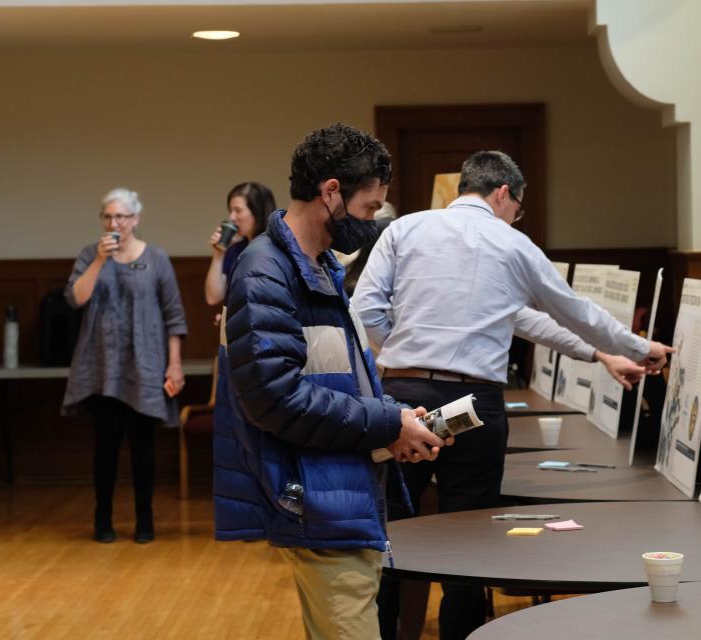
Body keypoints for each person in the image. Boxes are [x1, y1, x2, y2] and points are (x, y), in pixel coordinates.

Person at [353, 150, 674, 639]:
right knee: (468, 539)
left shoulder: (405, 229)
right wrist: (636, 346)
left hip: (403, 398)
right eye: (517, 206)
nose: (515, 215)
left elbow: (366, 309)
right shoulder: (512, 242)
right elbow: (571, 309)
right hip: (475, 406)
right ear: (503, 193)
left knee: (392, 533)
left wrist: (403, 353)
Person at [213, 123, 453, 640]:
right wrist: (387, 422)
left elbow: (340, 377)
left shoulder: (316, 265)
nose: (372, 225)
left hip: (340, 484)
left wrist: (396, 422)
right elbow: (276, 397)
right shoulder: (265, 272)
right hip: (318, 495)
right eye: (369, 210)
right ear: (330, 194)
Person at [61, 188, 187, 544]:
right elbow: (75, 298)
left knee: (143, 447)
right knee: (105, 447)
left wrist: (174, 366)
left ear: (136, 219)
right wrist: (101, 261)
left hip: (146, 366)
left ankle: (144, 520)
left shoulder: (158, 259)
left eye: (121, 217)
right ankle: (103, 519)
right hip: (102, 367)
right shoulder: (90, 254)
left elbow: (173, 316)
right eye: (108, 217)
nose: (114, 223)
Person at [203, 181, 276, 305]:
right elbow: (213, 298)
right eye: (230, 210)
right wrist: (218, 254)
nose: (232, 217)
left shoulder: (277, 247)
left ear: (257, 211)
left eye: (238, 210)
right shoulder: (236, 249)